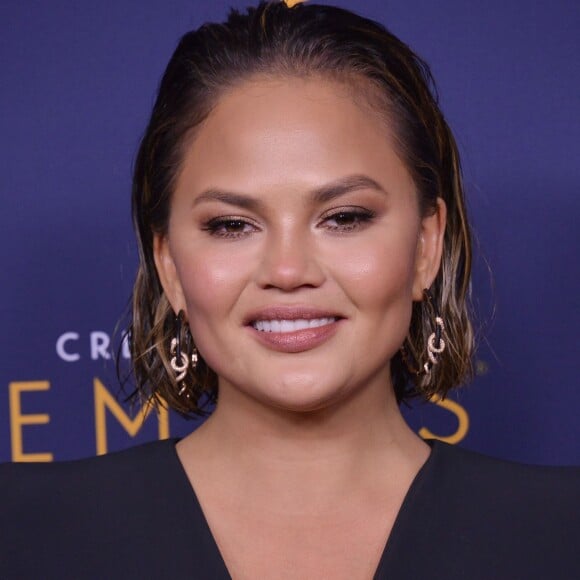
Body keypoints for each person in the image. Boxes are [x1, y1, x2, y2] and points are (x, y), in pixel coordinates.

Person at [1, 2, 578, 579]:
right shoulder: (22, 533)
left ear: (426, 246)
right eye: (231, 225)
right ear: (169, 265)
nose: (287, 269)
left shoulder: (560, 533)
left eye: (345, 217)